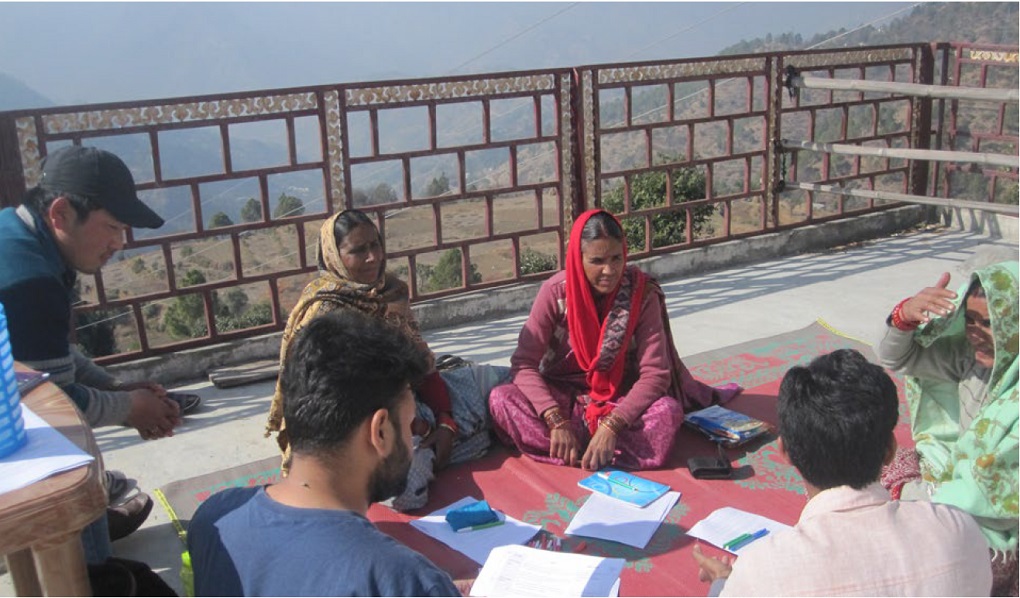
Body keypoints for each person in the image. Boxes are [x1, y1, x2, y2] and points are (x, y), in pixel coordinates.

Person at [189, 309, 460, 597]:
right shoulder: (401, 581)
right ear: (380, 431)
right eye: (408, 425)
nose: (413, 439)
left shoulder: (213, 517)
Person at [0, 146, 186, 556]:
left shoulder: (18, 237)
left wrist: (116, 387)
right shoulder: (29, 279)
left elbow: (47, 363)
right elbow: (54, 405)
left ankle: (84, 519)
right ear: (61, 214)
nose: (119, 243)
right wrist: (129, 408)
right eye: (112, 227)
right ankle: (85, 560)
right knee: (73, 450)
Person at [692, 348, 992, 596]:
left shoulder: (762, 570)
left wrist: (724, 584)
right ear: (890, 450)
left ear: (784, 451)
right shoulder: (958, 529)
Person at [265, 209, 507, 511]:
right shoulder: (322, 314)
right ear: (334, 256)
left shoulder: (390, 292)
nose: (372, 258)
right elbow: (333, 408)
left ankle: (453, 439)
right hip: (362, 431)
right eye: (358, 250)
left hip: (411, 402)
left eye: (375, 245)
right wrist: (413, 427)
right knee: (404, 490)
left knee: (503, 381)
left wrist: (445, 422)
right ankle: (462, 442)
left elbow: (422, 365)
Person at [489, 209, 741, 471]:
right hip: (564, 399)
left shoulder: (641, 295)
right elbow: (523, 364)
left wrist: (612, 425)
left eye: (616, 259)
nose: (609, 270)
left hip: (618, 399)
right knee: (501, 399)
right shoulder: (555, 294)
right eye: (597, 261)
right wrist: (554, 419)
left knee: (668, 412)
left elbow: (655, 375)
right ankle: (584, 448)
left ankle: (577, 450)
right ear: (578, 258)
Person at [877, 260, 1018, 595]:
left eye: (989, 322)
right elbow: (898, 358)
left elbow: (985, 491)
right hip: (963, 490)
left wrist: (914, 497)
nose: (975, 333)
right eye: (969, 320)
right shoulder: (974, 357)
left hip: (1000, 524)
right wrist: (904, 318)